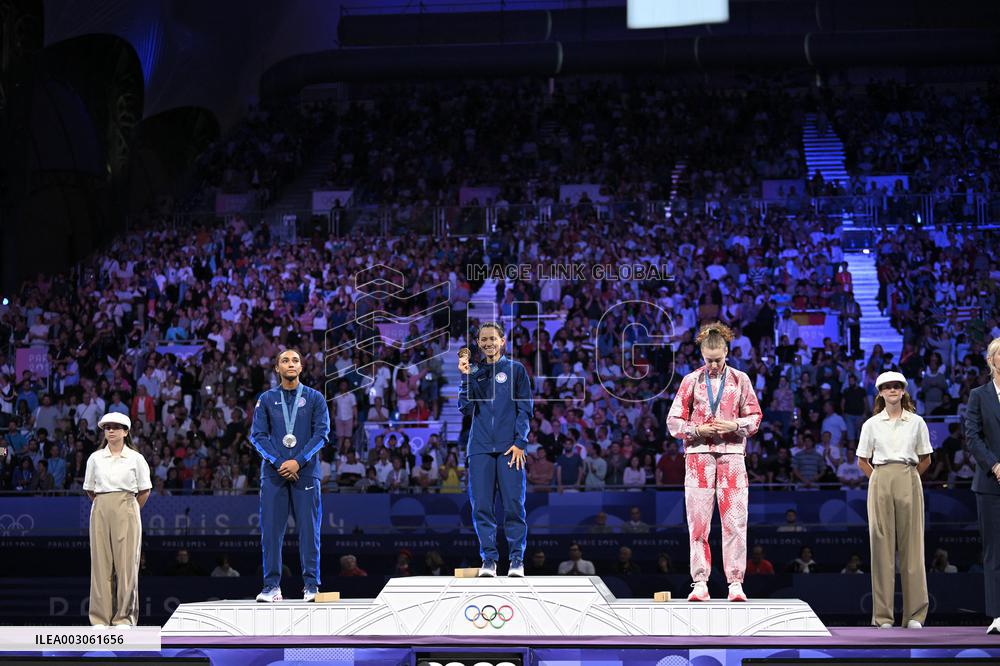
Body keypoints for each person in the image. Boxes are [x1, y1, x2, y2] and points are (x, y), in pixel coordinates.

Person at [667, 322, 762, 602]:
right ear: (701, 356)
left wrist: (733, 425)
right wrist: (697, 430)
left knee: (734, 522)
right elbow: (673, 421)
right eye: (708, 360)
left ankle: (735, 583)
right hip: (698, 457)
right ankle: (700, 582)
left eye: (717, 360)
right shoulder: (690, 381)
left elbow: (755, 417)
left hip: (732, 456)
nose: (713, 365)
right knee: (698, 523)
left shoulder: (740, 380)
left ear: (727, 352)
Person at [250, 348, 331, 602]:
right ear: (277, 369)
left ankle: (311, 586)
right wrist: (279, 462)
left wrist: (298, 461)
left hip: (306, 473)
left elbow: (322, 434)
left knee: (309, 531)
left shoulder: (315, 398)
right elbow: (258, 436)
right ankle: (271, 587)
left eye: (295, 360)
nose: (291, 364)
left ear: (301, 367)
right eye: (285, 360)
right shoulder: (266, 399)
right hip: (273, 474)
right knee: (271, 533)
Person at [856, 371, 931, 629]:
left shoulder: (917, 422)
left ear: (903, 390)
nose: (892, 390)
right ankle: (883, 617)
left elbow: (926, 458)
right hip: (880, 476)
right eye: (887, 387)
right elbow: (862, 460)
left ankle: (914, 615)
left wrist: (908, 477)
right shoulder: (871, 424)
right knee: (882, 550)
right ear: (880, 392)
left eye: (896, 386)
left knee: (913, 547)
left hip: (909, 475)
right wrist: (879, 480)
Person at [458, 322, 533, 577]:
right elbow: (466, 408)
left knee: (513, 505)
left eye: (493, 338)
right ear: (478, 343)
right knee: (481, 506)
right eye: (483, 339)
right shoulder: (474, 370)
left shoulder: (515, 370)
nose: (488, 343)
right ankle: (489, 560)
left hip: (510, 448)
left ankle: (516, 560)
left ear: (503, 340)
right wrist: (467, 376)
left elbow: (525, 409)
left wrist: (520, 442)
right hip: (479, 448)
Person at [83, 412, 151, 626]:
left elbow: (144, 490)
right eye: (107, 427)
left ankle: (124, 619)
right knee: (100, 565)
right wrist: (104, 505)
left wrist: (128, 511)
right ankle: (100, 620)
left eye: (115, 426)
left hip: (127, 506)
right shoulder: (95, 458)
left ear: (126, 431)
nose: (110, 430)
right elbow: (90, 490)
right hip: (101, 506)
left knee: (126, 566)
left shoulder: (136, 458)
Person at [964, 336, 1000, 635]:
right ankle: (998, 615)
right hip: (990, 484)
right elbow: (973, 436)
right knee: (994, 551)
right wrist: (995, 464)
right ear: (991, 360)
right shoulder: (979, 395)